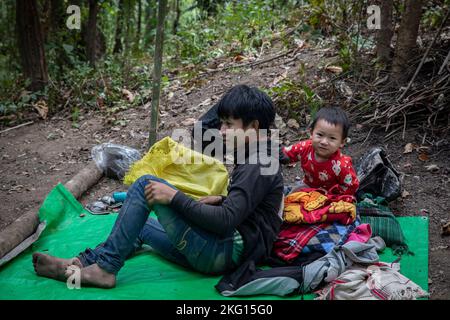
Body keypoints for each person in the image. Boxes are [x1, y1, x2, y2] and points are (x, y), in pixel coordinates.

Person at [32, 84, 284, 288]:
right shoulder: (260, 154)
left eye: (230, 124)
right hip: (223, 251)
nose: (222, 130)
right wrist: (220, 199)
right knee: (142, 227)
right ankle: (82, 262)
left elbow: (226, 221)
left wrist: (175, 197)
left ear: (253, 127)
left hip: (224, 252)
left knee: (145, 185)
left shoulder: (258, 162)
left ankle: (105, 270)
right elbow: (248, 206)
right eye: (222, 123)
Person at [282, 106, 359, 195]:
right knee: (290, 198)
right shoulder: (305, 148)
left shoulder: (341, 165)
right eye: (320, 135)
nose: (324, 142)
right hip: (308, 186)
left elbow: (352, 186)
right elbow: (286, 154)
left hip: (330, 195)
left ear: (342, 142)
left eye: (332, 138)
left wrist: (338, 198)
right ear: (311, 133)